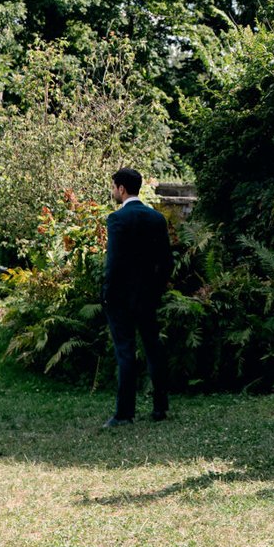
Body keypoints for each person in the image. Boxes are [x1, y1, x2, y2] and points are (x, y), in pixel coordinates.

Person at [101, 167, 173, 428]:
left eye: (114, 187)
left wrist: (108, 293)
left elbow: (115, 262)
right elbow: (167, 262)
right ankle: (160, 408)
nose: (113, 192)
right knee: (154, 349)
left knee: (126, 352)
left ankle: (124, 413)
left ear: (121, 189)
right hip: (148, 297)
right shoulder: (156, 219)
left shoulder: (117, 219)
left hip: (121, 297)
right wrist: (155, 290)